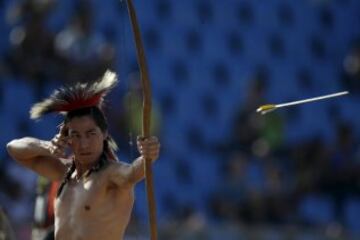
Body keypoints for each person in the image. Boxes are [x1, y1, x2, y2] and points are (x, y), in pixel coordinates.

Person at [6, 70, 161, 240]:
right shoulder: (63, 171)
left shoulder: (111, 175)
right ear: (67, 138)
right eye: (76, 136)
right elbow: (14, 149)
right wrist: (47, 146)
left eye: (90, 134)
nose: (84, 144)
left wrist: (148, 155)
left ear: (104, 135)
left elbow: (133, 173)